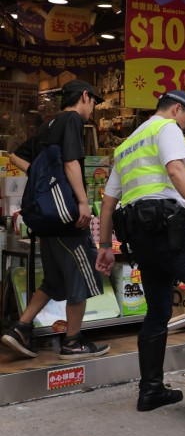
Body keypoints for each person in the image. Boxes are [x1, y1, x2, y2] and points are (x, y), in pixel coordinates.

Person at [95, 91, 185, 412]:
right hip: (167, 226)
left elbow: (108, 203)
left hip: (140, 237)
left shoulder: (126, 145)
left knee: (159, 311)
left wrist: (105, 247)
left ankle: (150, 391)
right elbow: (175, 171)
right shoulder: (166, 128)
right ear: (177, 109)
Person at [2, 80, 110, 360]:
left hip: (46, 218)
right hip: (66, 218)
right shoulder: (72, 120)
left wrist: (41, 178)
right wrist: (83, 201)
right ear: (84, 96)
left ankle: (20, 327)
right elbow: (71, 162)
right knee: (82, 277)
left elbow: (15, 156)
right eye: (94, 101)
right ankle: (73, 342)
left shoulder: (46, 126)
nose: (93, 107)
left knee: (54, 280)